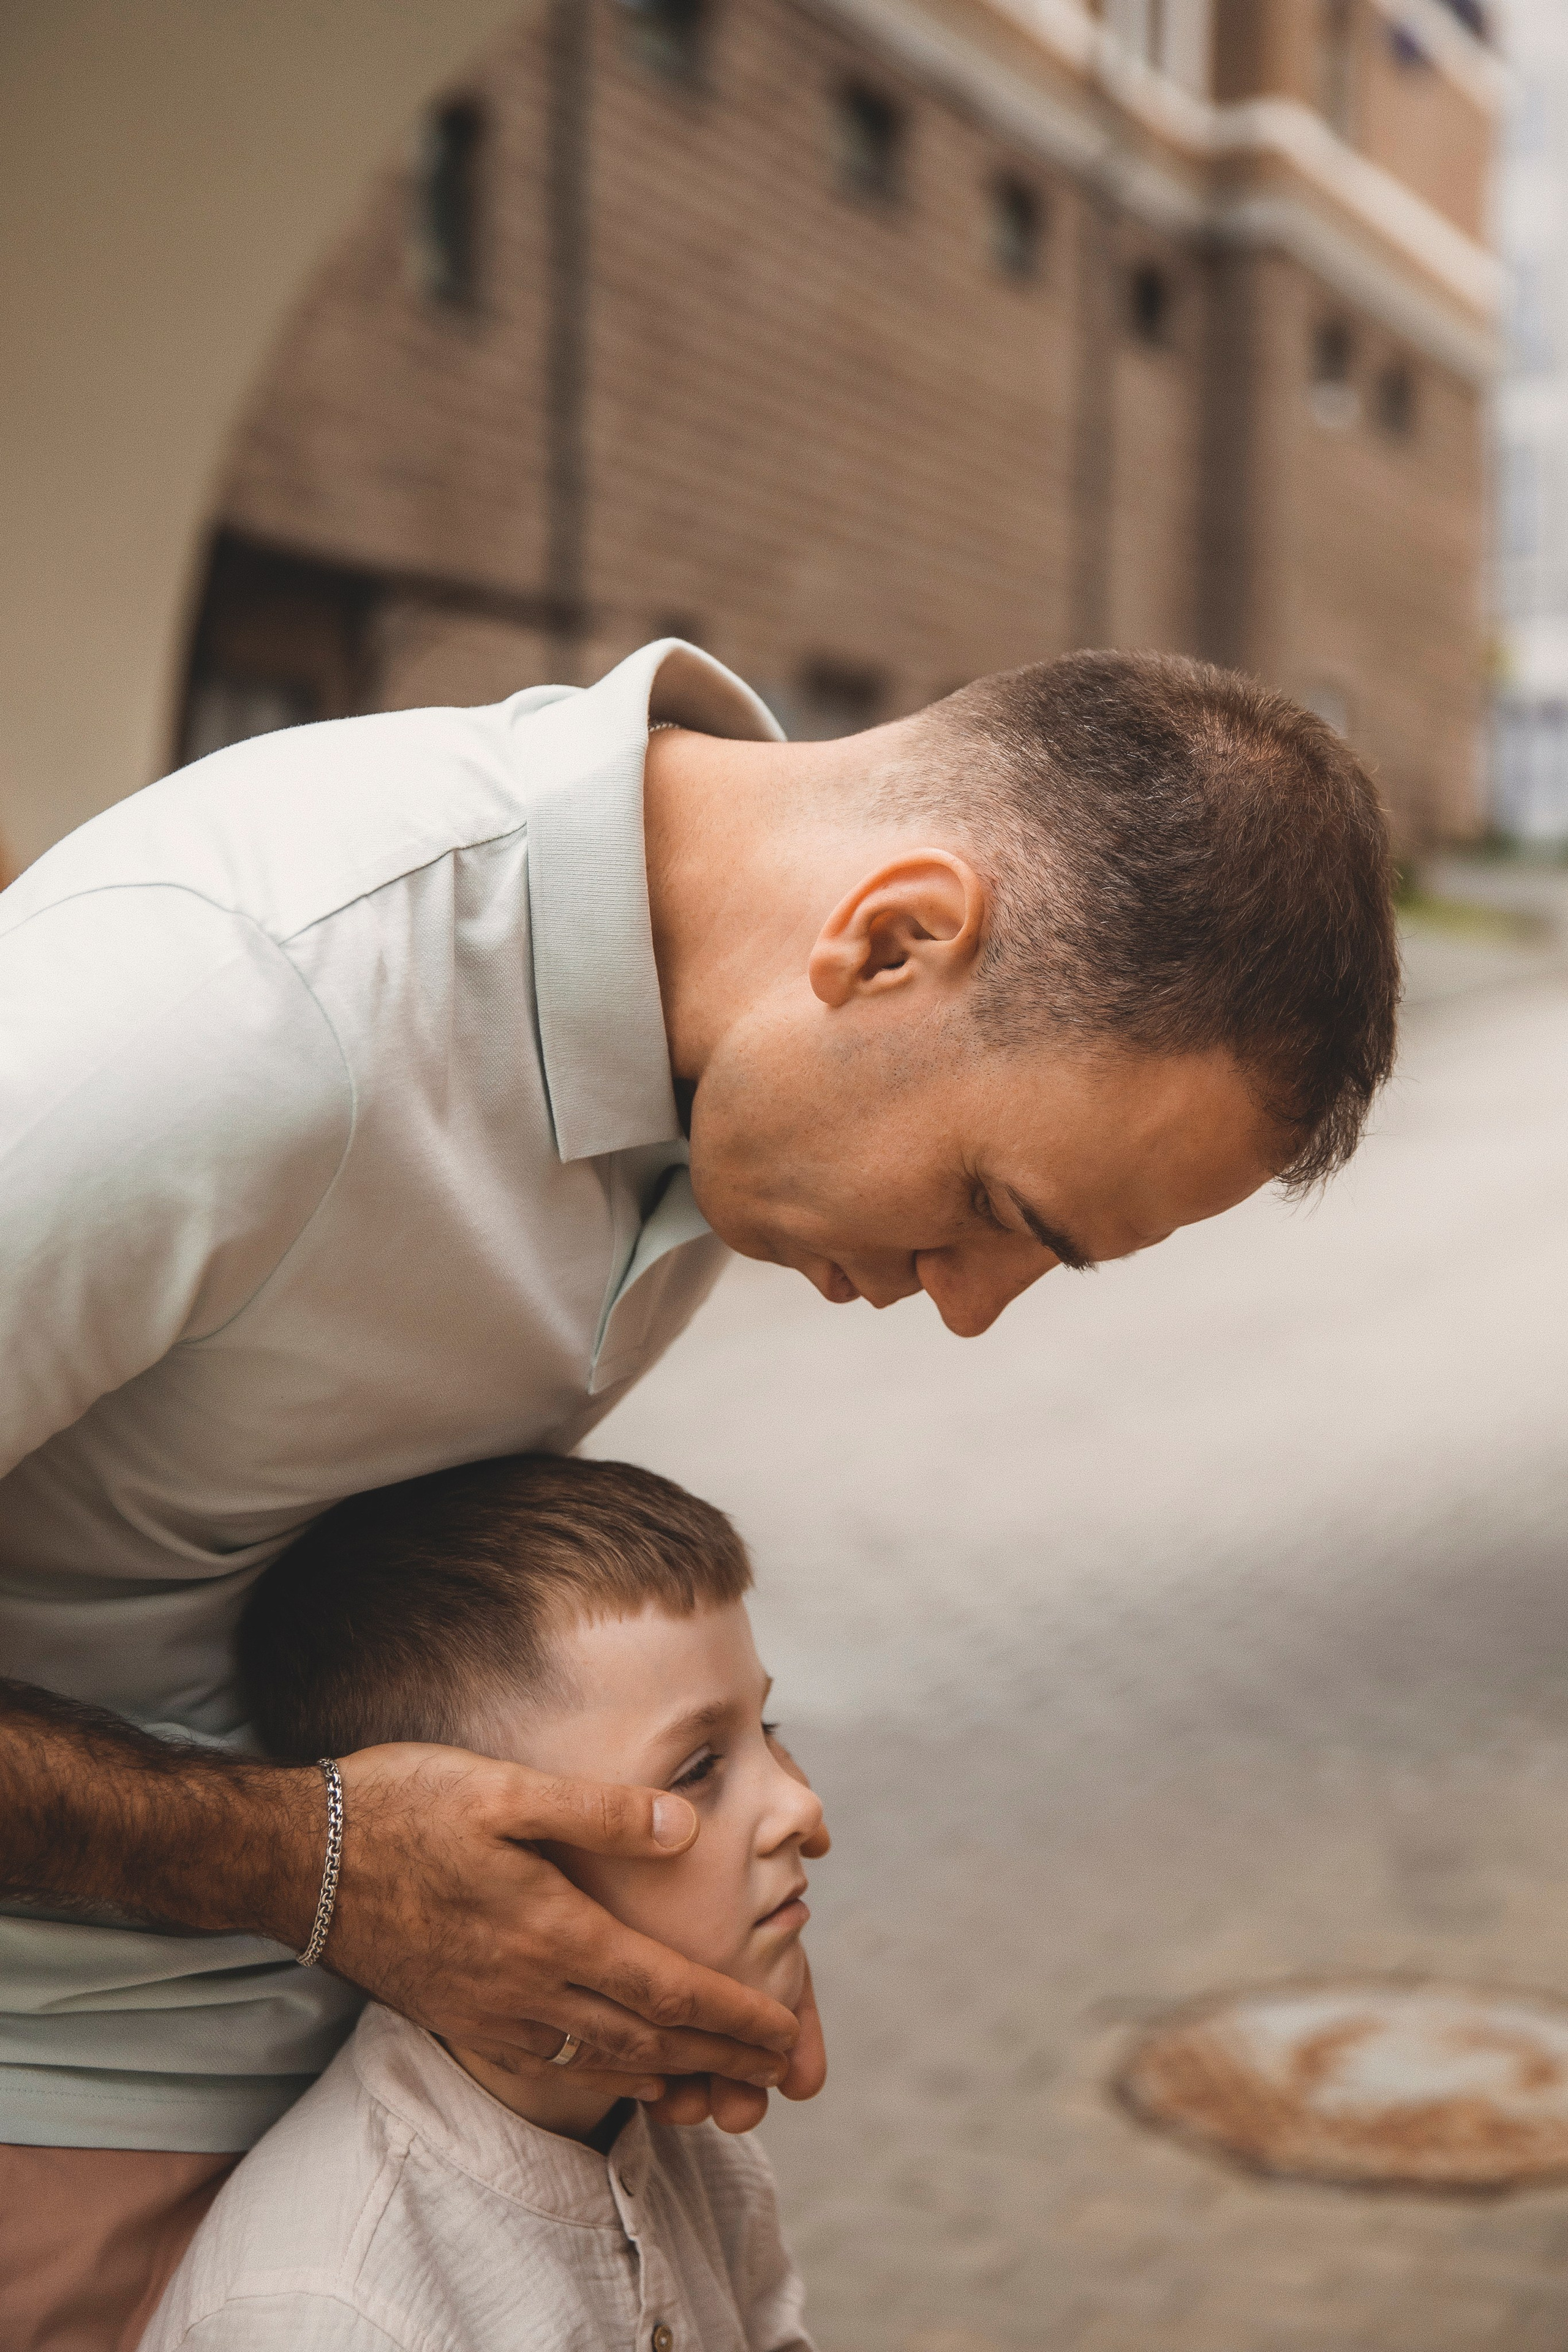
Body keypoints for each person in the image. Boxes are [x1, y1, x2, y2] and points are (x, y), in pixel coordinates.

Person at [0, 638, 1400, 2346]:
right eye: (995, 1207)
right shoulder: (229, 1014)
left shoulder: (712, 1076)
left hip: (390, 2096)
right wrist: (312, 1862)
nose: (964, 1304)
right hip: (62, 2133)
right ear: (891, 940)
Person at [145, 1452, 824, 2351]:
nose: (801, 1807)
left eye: (764, 1729)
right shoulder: (334, 2316)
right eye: (699, 1769)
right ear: (485, 1860)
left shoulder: (693, 2147)